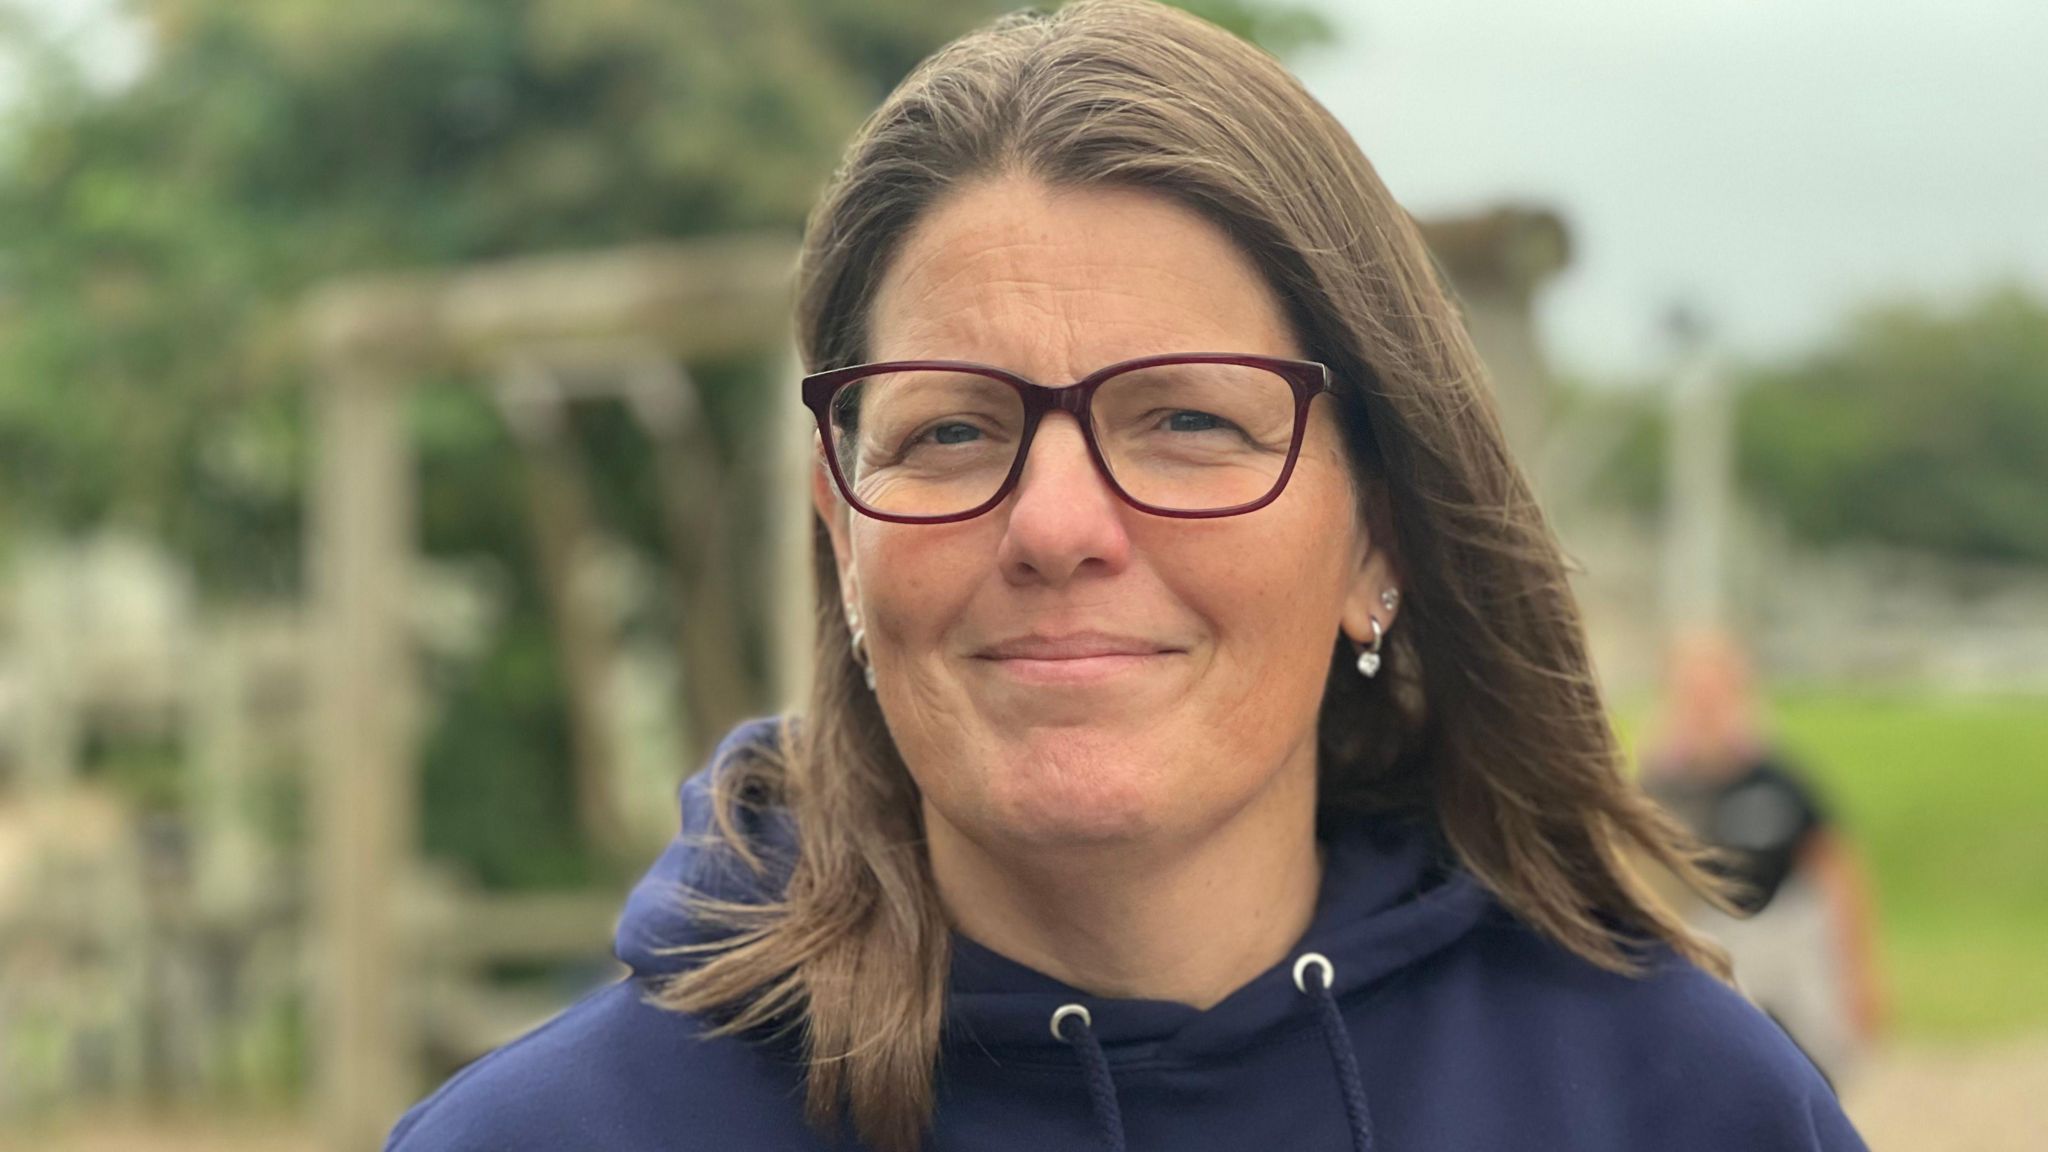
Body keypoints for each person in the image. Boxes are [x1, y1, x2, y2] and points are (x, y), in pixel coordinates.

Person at [386, 2, 1868, 1149]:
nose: (1055, 524)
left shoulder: (1682, 1109)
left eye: (1189, 421)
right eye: (953, 428)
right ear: (843, 533)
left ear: (1383, 538)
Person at [1639, 627, 1887, 1087]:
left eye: (1715, 694)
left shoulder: (1778, 780)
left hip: (1786, 945)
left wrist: (1859, 973)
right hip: (1704, 947)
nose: (1704, 709)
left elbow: (1835, 867)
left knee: (1811, 1069)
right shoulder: (1655, 790)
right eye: (1693, 694)